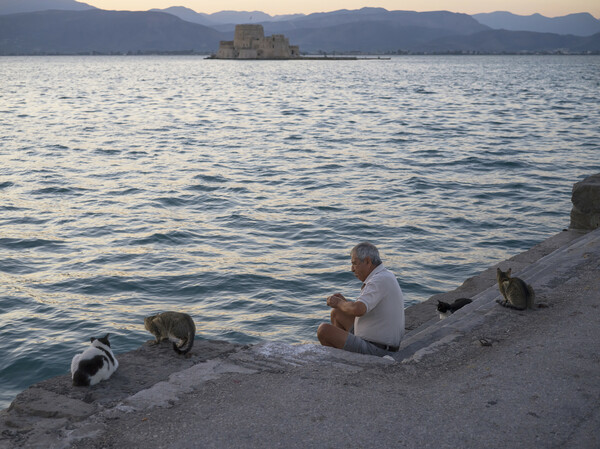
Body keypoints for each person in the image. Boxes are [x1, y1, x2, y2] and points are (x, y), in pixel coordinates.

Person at [317, 242, 405, 356]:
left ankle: (340, 362)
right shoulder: (384, 275)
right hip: (376, 340)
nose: (352, 269)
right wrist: (344, 304)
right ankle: (341, 355)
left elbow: (359, 309)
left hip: (378, 349)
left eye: (355, 263)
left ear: (368, 261)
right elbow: (363, 308)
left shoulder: (379, 280)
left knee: (324, 330)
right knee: (337, 313)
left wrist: (339, 303)